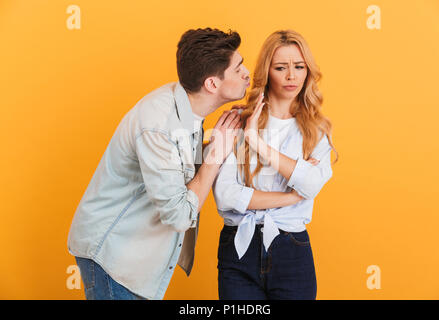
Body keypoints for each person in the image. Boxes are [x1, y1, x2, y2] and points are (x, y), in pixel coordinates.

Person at [67, 28, 250, 300]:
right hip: (113, 257)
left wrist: (223, 140)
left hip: (135, 254)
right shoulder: (158, 124)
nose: (247, 73)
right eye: (238, 69)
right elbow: (178, 215)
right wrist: (216, 153)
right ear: (212, 84)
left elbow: (177, 166)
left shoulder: (187, 106)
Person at [212, 30, 339, 300]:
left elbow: (312, 185)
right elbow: (226, 196)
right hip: (238, 248)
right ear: (266, 71)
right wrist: (291, 196)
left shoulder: (317, 130)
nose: (291, 76)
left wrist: (256, 143)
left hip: (291, 250)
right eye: (281, 67)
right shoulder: (237, 120)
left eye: (299, 67)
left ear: (308, 71)